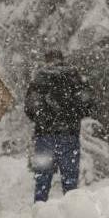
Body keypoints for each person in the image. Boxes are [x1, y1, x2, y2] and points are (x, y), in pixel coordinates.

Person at [24, 49, 92, 203]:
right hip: (69, 135)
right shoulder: (74, 77)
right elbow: (87, 104)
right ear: (62, 59)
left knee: (42, 180)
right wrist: (71, 116)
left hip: (44, 137)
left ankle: (40, 215)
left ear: (46, 60)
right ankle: (71, 217)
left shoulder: (39, 79)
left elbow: (29, 108)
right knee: (70, 181)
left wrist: (44, 119)